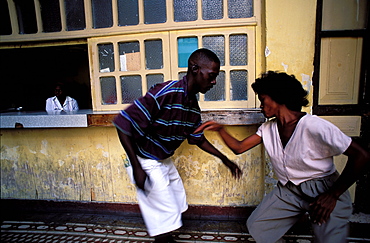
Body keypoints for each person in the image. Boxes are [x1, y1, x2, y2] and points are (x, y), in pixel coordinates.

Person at [194, 71, 370, 243]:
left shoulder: (313, 126)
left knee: (329, 239)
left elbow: (362, 156)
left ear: (278, 97)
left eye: (263, 100)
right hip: (288, 190)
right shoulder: (268, 128)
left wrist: (332, 195)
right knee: (258, 225)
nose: (261, 106)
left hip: (324, 190)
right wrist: (220, 129)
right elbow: (239, 148)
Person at [113, 48, 242, 243]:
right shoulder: (164, 93)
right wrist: (137, 166)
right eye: (212, 76)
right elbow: (123, 124)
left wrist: (225, 159)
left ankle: (164, 236)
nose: (214, 82)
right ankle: (163, 239)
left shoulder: (192, 106)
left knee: (177, 203)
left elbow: (197, 138)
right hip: (144, 159)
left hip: (162, 158)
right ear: (195, 69)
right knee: (165, 212)